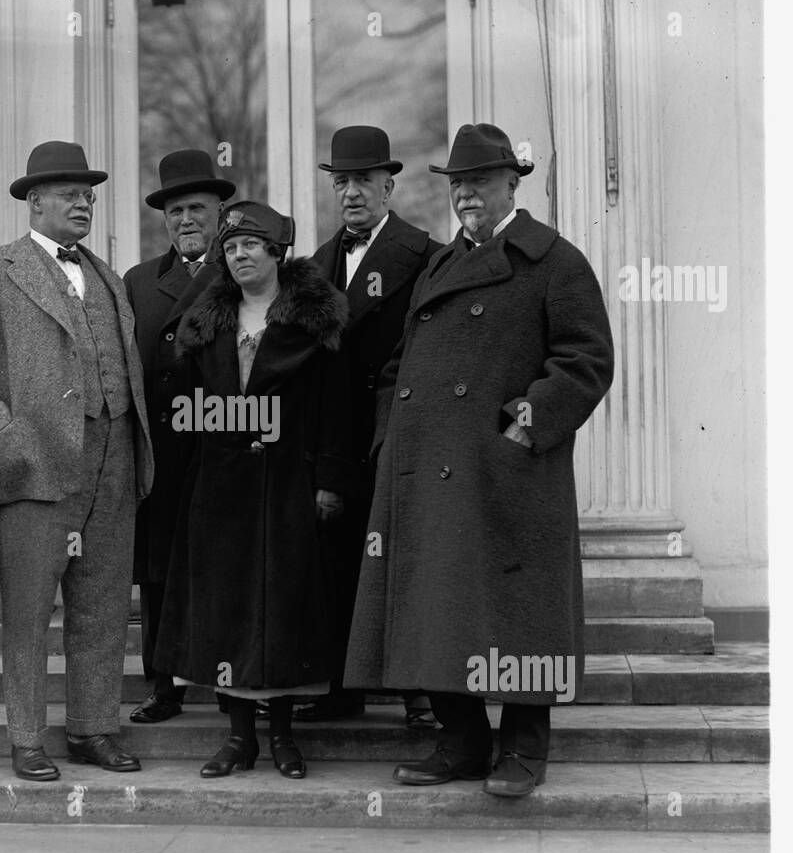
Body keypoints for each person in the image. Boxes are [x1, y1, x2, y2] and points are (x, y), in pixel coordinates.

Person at [344, 123, 614, 797]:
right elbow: (403, 362)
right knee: (439, 610)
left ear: (512, 184)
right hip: (426, 466)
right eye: (457, 183)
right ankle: (460, 742)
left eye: (480, 182)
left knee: (522, 614)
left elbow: (586, 362)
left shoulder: (553, 259)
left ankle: (524, 748)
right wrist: (389, 434)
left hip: (507, 473)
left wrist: (524, 429)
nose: (466, 194)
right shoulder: (441, 263)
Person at [0, 141, 155, 782]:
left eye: (88, 193)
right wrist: (3, 431)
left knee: (103, 606)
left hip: (112, 459)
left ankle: (93, 729)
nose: (83, 202)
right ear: (35, 203)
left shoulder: (109, 276)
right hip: (34, 466)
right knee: (29, 610)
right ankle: (26, 738)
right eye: (69, 193)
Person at [153, 200, 354, 780]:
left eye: (251, 246)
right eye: (232, 247)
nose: (239, 255)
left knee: (284, 610)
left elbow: (336, 412)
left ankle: (284, 737)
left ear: (276, 252)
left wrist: (329, 482)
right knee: (226, 611)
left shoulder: (316, 322)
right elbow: (188, 408)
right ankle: (239, 739)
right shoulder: (207, 323)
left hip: (291, 488)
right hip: (221, 491)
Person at [299, 125, 443, 727]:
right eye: (342, 182)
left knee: (404, 563)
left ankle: (420, 692)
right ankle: (340, 687)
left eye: (364, 180)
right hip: (334, 442)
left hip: (397, 435)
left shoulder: (427, 257)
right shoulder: (313, 268)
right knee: (336, 564)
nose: (352, 192)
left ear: (390, 185)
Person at [123, 150, 236, 724]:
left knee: (221, 566)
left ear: (221, 213)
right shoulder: (140, 281)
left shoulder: (243, 267)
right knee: (159, 571)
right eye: (174, 211)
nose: (186, 220)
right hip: (163, 449)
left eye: (196, 208)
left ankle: (229, 685)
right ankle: (162, 686)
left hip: (222, 445)